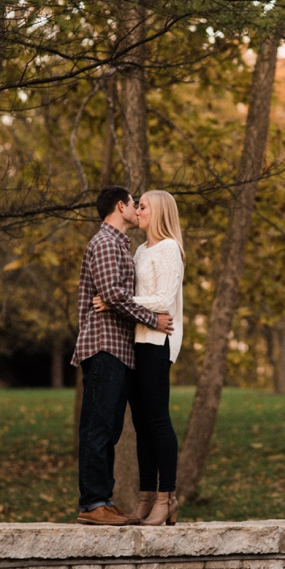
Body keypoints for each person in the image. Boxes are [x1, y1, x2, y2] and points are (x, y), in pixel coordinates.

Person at [72, 186, 173, 526]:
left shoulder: (122, 246)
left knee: (110, 427)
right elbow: (114, 294)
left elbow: (119, 294)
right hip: (103, 345)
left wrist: (121, 300)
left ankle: (103, 500)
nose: (137, 209)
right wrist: (153, 318)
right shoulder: (104, 243)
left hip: (119, 348)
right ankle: (93, 503)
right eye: (134, 204)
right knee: (98, 426)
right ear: (121, 206)